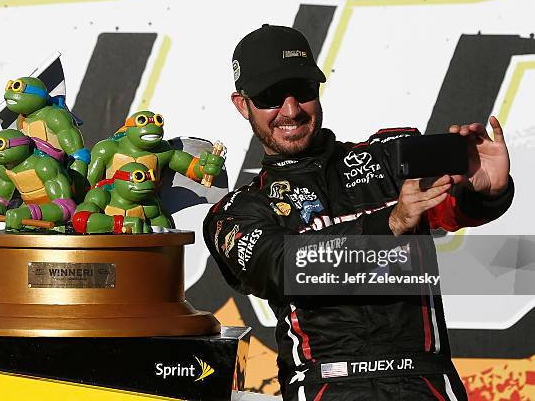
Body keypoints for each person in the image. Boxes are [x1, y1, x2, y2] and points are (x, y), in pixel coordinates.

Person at [203, 24, 514, 400]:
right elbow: (283, 267)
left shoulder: (388, 157)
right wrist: (390, 224)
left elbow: (453, 208)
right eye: (270, 96)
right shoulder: (237, 212)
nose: (290, 110)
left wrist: (487, 191)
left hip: (425, 382)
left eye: (302, 91)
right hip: (324, 386)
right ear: (242, 104)